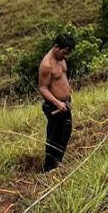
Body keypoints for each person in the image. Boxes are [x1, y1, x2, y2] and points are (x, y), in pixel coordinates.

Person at [37, 32, 74, 171]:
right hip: (54, 106)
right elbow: (43, 88)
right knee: (54, 137)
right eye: (65, 51)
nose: (66, 55)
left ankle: (58, 162)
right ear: (56, 47)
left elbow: (62, 78)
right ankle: (49, 168)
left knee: (66, 132)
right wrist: (58, 103)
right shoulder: (47, 65)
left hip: (65, 104)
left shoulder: (61, 59)